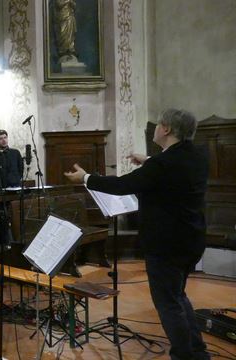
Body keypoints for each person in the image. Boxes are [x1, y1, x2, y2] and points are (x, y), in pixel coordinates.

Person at [64, 109, 211, 360]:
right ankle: (196, 351)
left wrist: (86, 177)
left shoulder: (162, 165)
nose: (154, 127)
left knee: (168, 303)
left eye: (158, 124)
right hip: (192, 239)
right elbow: (171, 169)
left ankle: (186, 356)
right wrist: (148, 161)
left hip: (166, 244)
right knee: (177, 295)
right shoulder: (196, 156)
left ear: (166, 130)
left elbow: (122, 185)